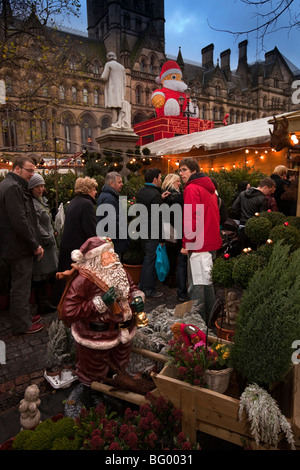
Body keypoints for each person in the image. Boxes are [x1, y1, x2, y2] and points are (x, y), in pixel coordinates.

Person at [58, 236, 145, 390]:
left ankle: (117, 392)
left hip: (123, 334)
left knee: (120, 370)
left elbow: (132, 287)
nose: (114, 257)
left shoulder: (119, 271)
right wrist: (100, 303)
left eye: (113, 253)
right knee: (93, 377)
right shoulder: (83, 281)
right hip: (97, 339)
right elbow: (68, 312)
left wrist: (137, 298)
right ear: (96, 260)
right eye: (108, 255)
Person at [0, 156, 44, 334]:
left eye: (34, 171)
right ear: (17, 169)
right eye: (29, 170)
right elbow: (19, 221)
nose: (32, 174)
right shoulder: (13, 188)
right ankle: (22, 325)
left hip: (13, 246)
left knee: (19, 284)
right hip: (18, 247)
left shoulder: (9, 185)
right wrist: (34, 245)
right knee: (21, 286)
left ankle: (23, 317)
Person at [179, 158, 222, 325]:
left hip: (198, 244)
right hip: (210, 242)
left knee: (197, 285)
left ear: (193, 171)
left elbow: (191, 219)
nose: (181, 174)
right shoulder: (210, 188)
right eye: (180, 170)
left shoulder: (192, 188)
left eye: (184, 170)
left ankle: (198, 325)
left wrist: (186, 244)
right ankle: (211, 319)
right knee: (207, 283)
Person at [54, 177, 98, 304]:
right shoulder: (86, 204)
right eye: (94, 189)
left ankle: (61, 302)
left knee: (65, 278)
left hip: (68, 245)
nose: (95, 192)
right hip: (78, 249)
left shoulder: (74, 202)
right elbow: (90, 230)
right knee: (74, 279)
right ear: (87, 190)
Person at [136, 168, 170, 298]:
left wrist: (159, 198)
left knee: (147, 259)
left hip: (143, 230)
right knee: (150, 260)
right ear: (155, 179)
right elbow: (157, 218)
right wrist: (161, 238)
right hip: (152, 232)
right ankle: (148, 289)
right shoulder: (155, 194)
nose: (161, 180)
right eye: (160, 178)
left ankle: (142, 285)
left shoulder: (142, 191)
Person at [28, 173, 58, 315]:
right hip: (42, 244)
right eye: (37, 187)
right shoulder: (32, 204)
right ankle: (43, 304)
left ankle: (49, 301)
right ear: (31, 188)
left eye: (42, 186)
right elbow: (35, 225)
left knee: (47, 273)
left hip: (49, 242)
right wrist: (47, 237)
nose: (40, 189)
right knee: (40, 274)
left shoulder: (42, 200)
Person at [161, 173, 188, 302]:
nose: (179, 183)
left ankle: (170, 278)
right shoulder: (175, 195)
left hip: (167, 228)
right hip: (174, 228)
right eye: (177, 181)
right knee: (176, 255)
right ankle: (174, 279)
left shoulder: (164, 193)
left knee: (170, 254)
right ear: (172, 182)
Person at [231, 177, 276, 248]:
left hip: (242, 225)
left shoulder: (242, 194)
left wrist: (241, 216)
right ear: (265, 187)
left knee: (243, 249)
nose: (269, 193)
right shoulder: (263, 199)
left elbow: (234, 207)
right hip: (255, 229)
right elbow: (263, 216)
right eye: (270, 191)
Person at [96, 172, 129, 260]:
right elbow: (111, 222)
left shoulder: (109, 196)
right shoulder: (109, 198)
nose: (122, 184)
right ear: (111, 183)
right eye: (119, 182)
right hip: (114, 242)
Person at [100, 52, 127, 126]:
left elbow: (104, 77)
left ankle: (114, 122)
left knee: (114, 105)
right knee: (118, 105)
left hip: (112, 88)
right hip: (120, 89)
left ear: (108, 57)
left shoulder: (108, 64)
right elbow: (125, 81)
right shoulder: (122, 67)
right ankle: (119, 122)